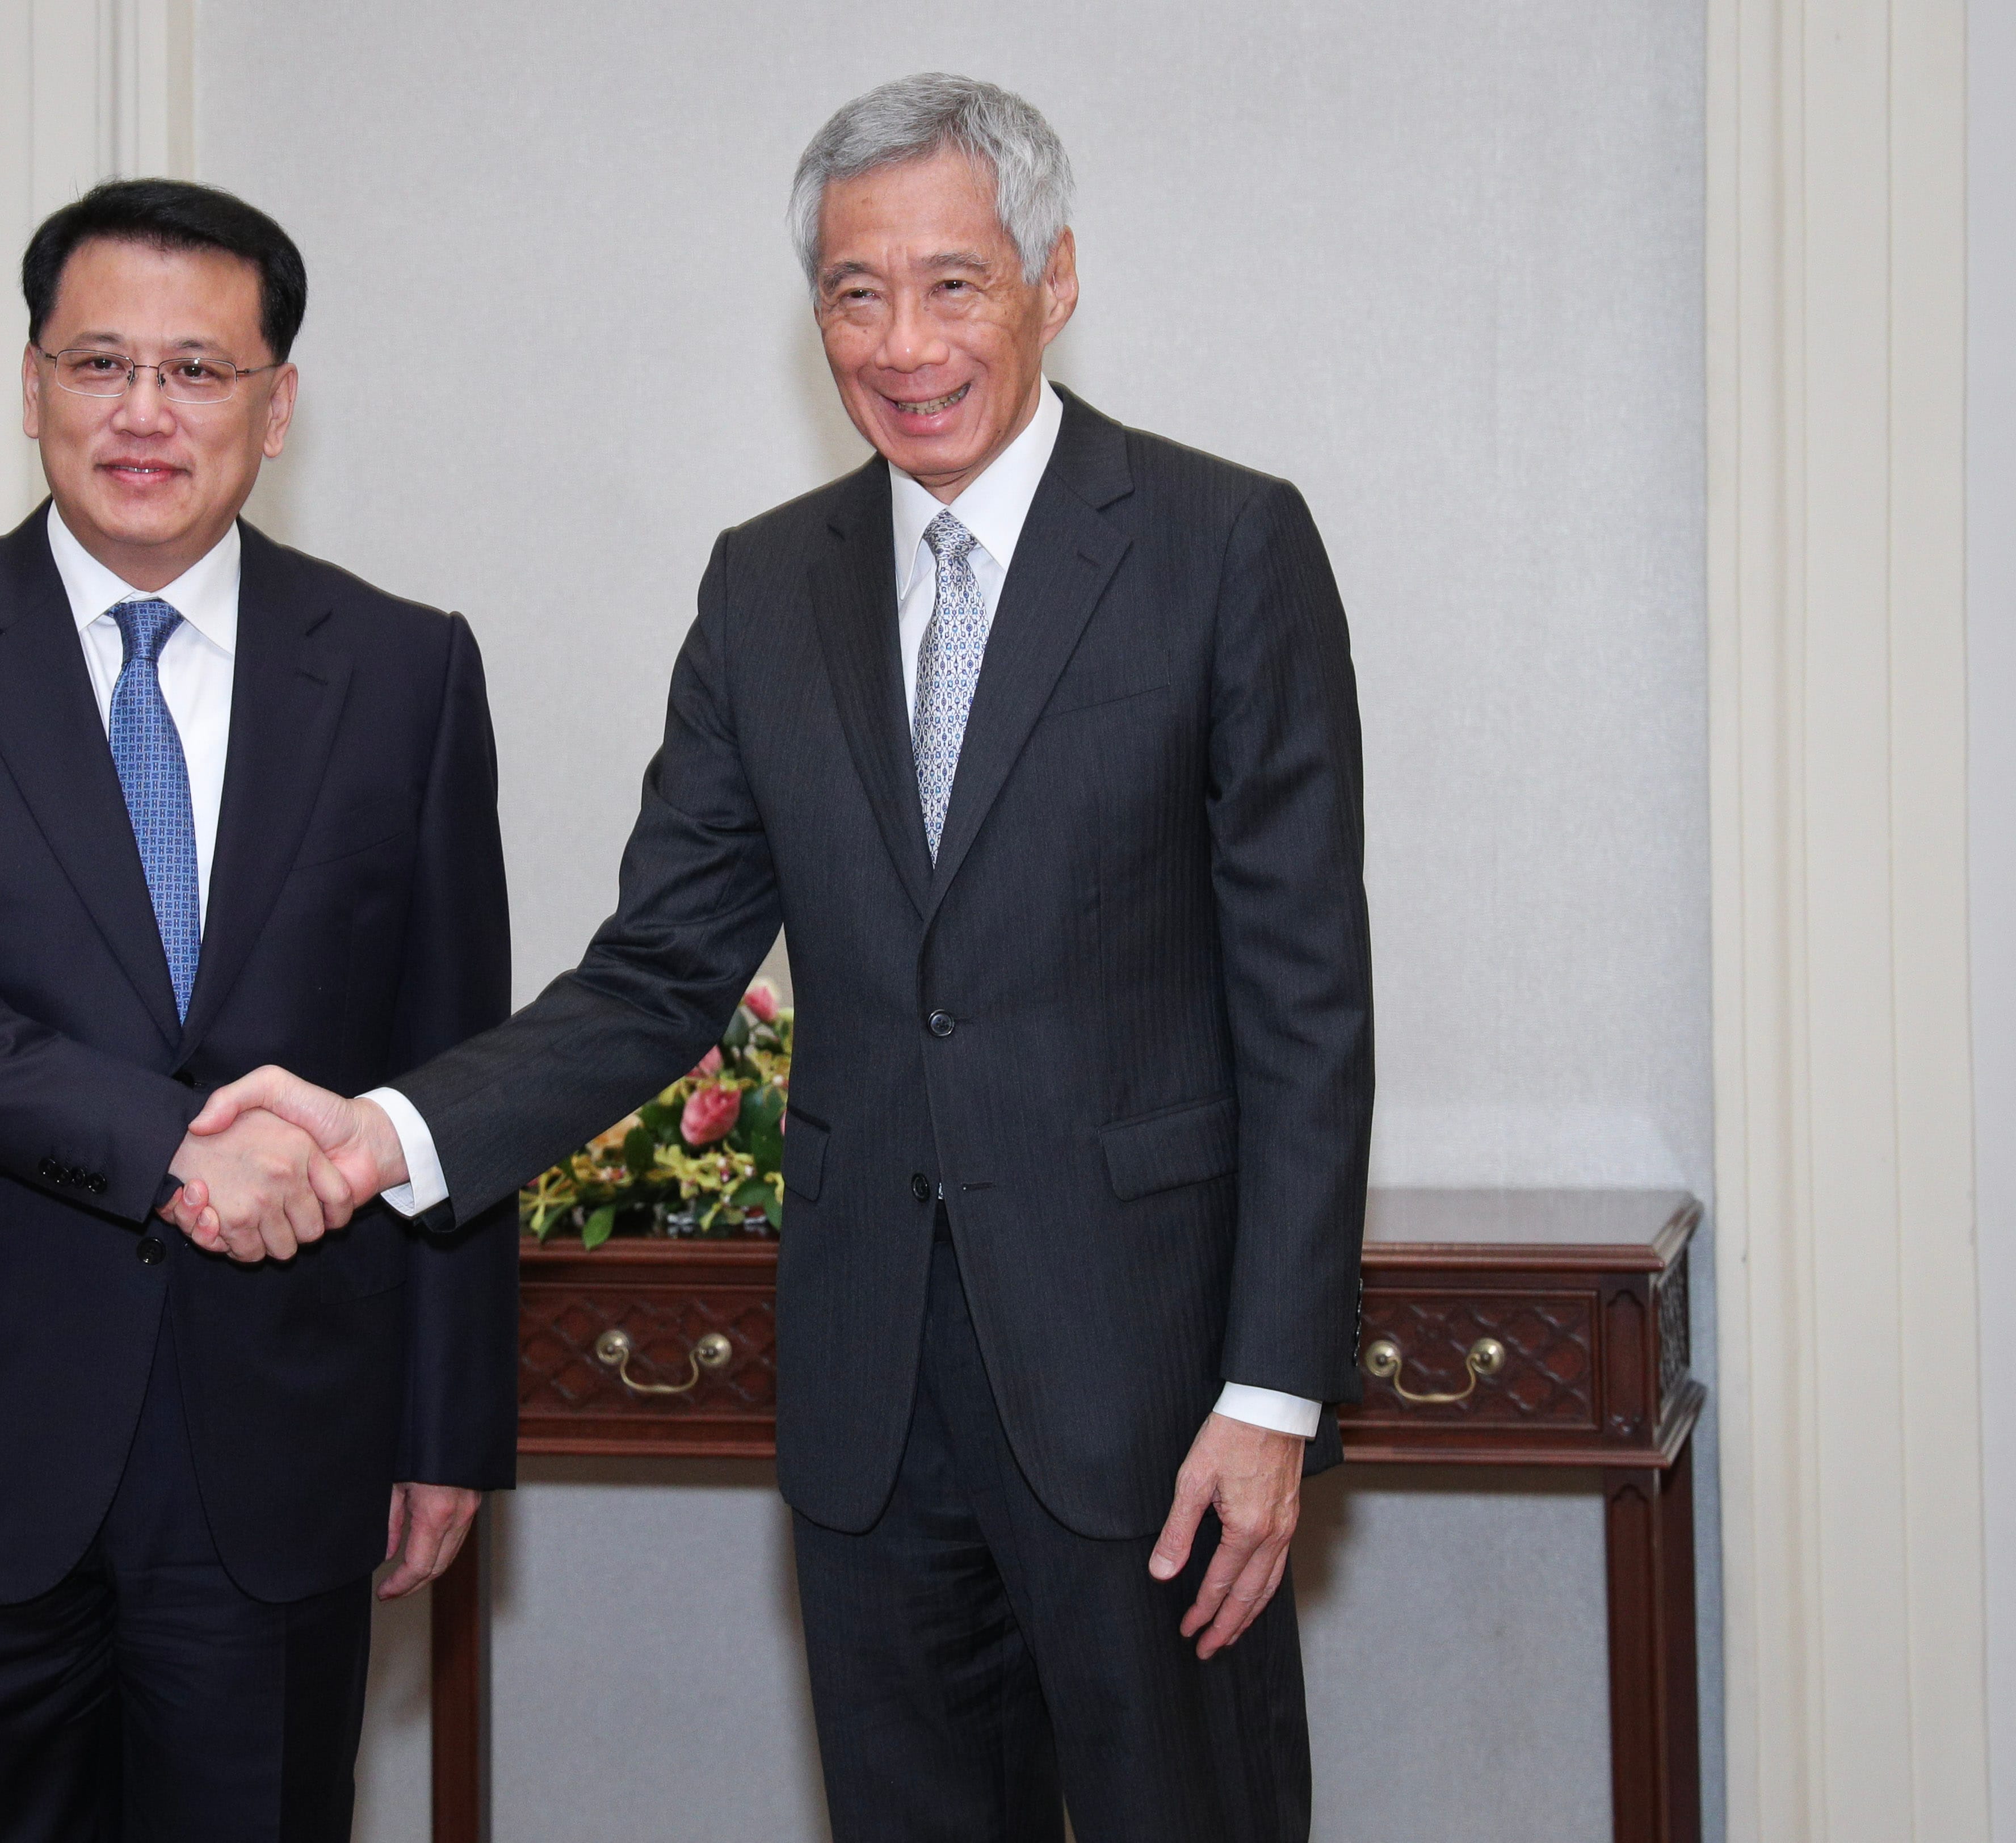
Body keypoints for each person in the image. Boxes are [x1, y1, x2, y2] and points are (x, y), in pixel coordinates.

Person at [176, 74, 1372, 1840]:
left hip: (1152, 1400)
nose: (903, 341)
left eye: (954, 283)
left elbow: (1304, 1006)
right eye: (854, 291)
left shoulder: (1223, 545)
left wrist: (1272, 1395)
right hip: (870, 1408)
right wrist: (386, 1137)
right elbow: (659, 973)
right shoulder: (765, 587)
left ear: (1054, 276)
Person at [0, 178, 515, 1843]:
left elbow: (449, 1061)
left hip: (285, 1436)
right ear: (33, 383)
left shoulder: (406, 671)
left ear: (276, 403)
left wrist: (450, 1426)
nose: (144, 415)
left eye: (197, 370)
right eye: (99, 365)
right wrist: (167, 1142)